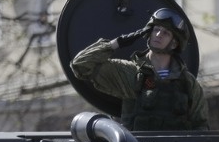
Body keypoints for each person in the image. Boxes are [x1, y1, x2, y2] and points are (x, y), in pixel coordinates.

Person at [70, 8, 209, 132]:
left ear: (174, 44)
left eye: (165, 33)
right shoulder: (131, 73)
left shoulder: (188, 83)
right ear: (149, 32)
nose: (158, 34)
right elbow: (80, 65)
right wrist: (116, 43)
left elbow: (201, 127)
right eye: (156, 29)